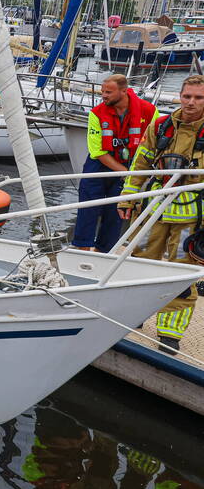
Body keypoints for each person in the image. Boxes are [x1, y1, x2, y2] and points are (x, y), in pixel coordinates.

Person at [118, 75, 204, 351]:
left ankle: (170, 334)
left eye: (198, 97)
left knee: (181, 276)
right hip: (153, 209)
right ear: (179, 96)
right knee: (139, 266)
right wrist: (128, 198)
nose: (191, 102)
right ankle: (134, 315)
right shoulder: (160, 126)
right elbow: (140, 162)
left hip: (193, 217)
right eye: (187, 96)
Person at [73, 74, 157, 252]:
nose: (104, 95)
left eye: (108, 92)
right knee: (87, 208)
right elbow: (98, 152)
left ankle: (104, 251)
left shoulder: (148, 111)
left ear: (124, 91)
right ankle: (82, 248)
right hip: (99, 166)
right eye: (102, 91)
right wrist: (126, 174)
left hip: (129, 164)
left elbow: (155, 140)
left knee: (116, 212)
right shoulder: (96, 114)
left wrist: (136, 172)